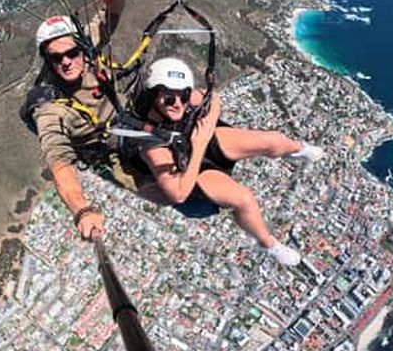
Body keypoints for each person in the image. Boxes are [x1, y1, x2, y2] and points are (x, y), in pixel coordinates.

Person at [135, 57, 324, 266]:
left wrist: (206, 129)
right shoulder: (151, 144)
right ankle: (268, 244)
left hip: (202, 143)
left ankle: (297, 150)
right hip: (189, 169)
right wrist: (200, 142)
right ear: (153, 95)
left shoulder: (181, 96)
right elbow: (178, 193)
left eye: (184, 96)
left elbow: (213, 98)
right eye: (169, 99)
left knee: (272, 140)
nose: (178, 104)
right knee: (244, 199)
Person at [27, 0, 135, 242]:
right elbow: (59, 163)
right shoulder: (48, 106)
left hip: (126, 121)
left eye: (72, 53)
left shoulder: (84, 47)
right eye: (56, 57)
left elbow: (108, 19)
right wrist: (82, 210)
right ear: (47, 60)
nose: (66, 61)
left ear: (81, 50)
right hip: (106, 148)